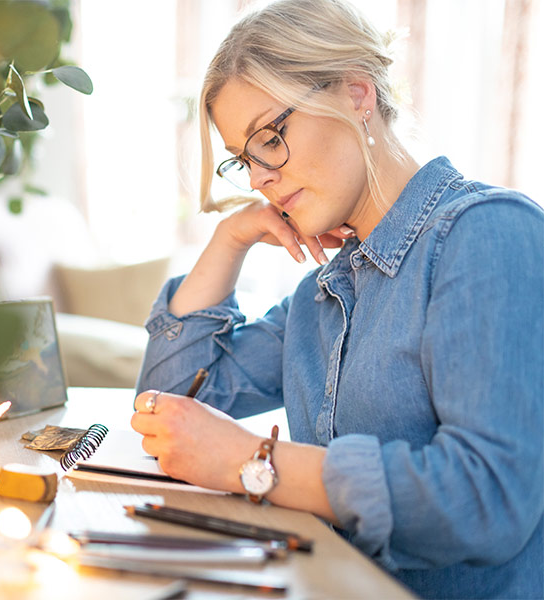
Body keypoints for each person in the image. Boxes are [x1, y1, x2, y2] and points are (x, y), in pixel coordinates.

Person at [130, 1, 543, 598]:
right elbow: (169, 406)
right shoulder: (325, 292)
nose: (258, 178)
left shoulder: (486, 235)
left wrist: (256, 461)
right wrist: (230, 239)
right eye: (243, 159)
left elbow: (488, 499)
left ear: (356, 93)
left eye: (269, 138)